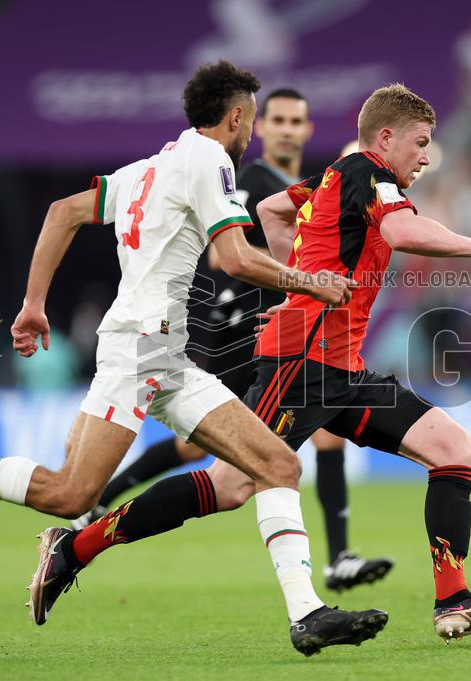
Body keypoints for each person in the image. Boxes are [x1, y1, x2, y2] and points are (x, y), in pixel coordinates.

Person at [0, 61, 388, 656]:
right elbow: (233, 257)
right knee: (68, 495)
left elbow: (63, 211)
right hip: (138, 351)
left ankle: (307, 615)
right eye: (251, 120)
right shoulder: (210, 159)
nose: (251, 133)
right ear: (235, 117)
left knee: (277, 464)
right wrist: (309, 282)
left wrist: (33, 304)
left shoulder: (148, 168)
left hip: (166, 354)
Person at [55, 83, 471, 644]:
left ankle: (453, 600)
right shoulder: (367, 172)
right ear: (386, 138)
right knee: (230, 486)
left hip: (343, 370)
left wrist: (300, 284)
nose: (426, 157)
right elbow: (402, 231)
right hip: (301, 363)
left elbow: (272, 209)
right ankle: (76, 548)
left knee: (455, 451)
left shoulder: (332, 177)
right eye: (421, 143)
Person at [77, 87, 394, 592]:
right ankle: (94, 506)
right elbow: (227, 254)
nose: (288, 129)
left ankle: (339, 558)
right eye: (279, 120)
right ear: (259, 127)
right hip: (244, 327)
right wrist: (291, 284)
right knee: (196, 452)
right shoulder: (250, 182)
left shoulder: (307, 188)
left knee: (322, 432)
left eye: (297, 121)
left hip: (290, 329)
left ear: (308, 130)